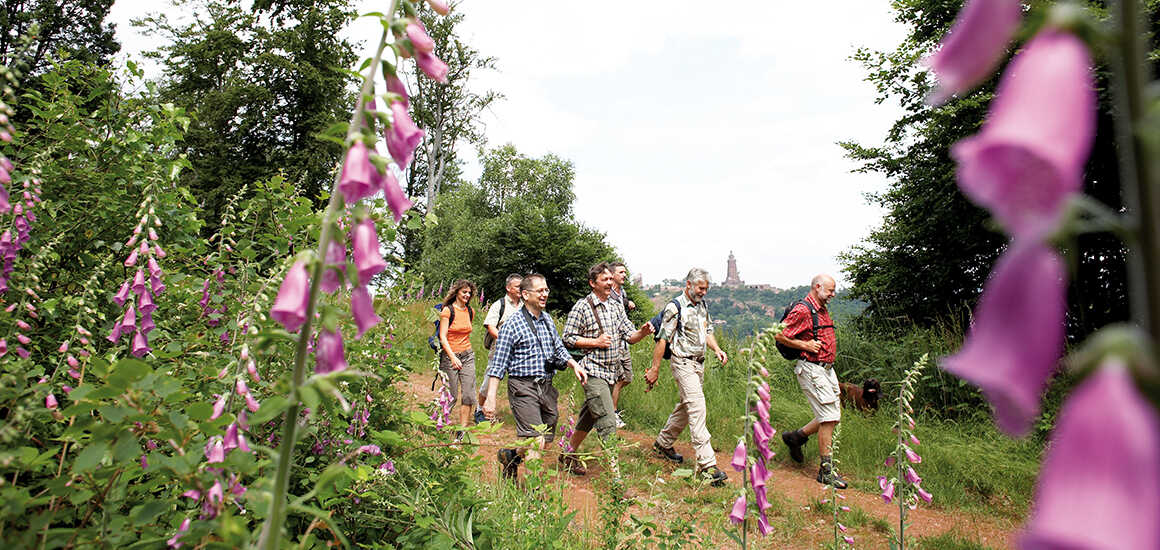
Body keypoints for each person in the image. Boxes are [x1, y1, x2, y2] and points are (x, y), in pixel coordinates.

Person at [483, 273, 588, 480]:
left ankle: (511, 455)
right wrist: (491, 398)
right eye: (540, 290)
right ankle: (534, 491)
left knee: (544, 441)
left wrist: (574, 364)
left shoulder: (547, 320)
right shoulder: (512, 325)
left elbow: (559, 349)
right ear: (525, 294)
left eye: (546, 290)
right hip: (522, 387)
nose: (545, 294)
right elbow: (498, 365)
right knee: (536, 440)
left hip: (547, 387)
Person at [559, 263, 653, 476]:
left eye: (611, 279)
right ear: (593, 283)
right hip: (592, 372)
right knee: (608, 421)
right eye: (605, 280)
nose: (610, 283)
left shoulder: (616, 306)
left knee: (589, 417)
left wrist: (643, 332)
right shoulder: (582, 307)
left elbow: (630, 336)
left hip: (612, 373)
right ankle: (615, 478)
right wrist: (595, 342)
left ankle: (567, 454)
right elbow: (567, 338)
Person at [645, 268, 729, 487]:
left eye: (706, 289)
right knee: (697, 407)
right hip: (682, 363)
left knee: (686, 406)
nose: (704, 292)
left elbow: (707, 331)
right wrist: (654, 369)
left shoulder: (702, 305)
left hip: (699, 364)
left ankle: (663, 444)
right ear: (689, 285)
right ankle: (708, 466)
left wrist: (717, 349)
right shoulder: (675, 307)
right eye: (701, 288)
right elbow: (662, 339)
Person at [775, 274, 846, 489]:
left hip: (826, 369)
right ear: (817, 287)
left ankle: (796, 437)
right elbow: (779, 334)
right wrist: (805, 346)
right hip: (812, 369)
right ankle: (826, 471)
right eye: (830, 290)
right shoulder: (804, 309)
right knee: (829, 418)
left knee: (833, 415)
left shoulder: (820, 308)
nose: (833, 294)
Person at [474, 273, 523, 423]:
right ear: (508, 288)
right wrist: (505, 341)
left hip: (520, 352)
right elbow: (491, 327)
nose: (520, 289)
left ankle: (523, 413)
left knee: (520, 383)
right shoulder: (499, 305)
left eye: (522, 286)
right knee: (488, 382)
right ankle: (479, 410)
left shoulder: (525, 305)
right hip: (499, 350)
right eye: (517, 286)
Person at [437, 280, 478, 442]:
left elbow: (466, 333)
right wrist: (453, 357)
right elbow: (443, 336)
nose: (467, 295)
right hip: (450, 356)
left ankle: (461, 432)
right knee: (451, 395)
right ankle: (438, 423)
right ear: (457, 292)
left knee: (468, 394)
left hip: (467, 355)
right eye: (464, 292)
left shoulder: (470, 311)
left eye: (469, 293)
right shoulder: (447, 311)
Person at [608, 261, 635, 428]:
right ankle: (613, 413)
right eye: (621, 272)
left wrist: (628, 302)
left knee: (627, 378)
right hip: (614, 343)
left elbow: (622, 309)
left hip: (625, 343)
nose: (625, 275)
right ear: (612, 275)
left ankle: (606, 406)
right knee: (618, 379)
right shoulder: (607, 293)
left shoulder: (622, 292)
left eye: (625, 272)